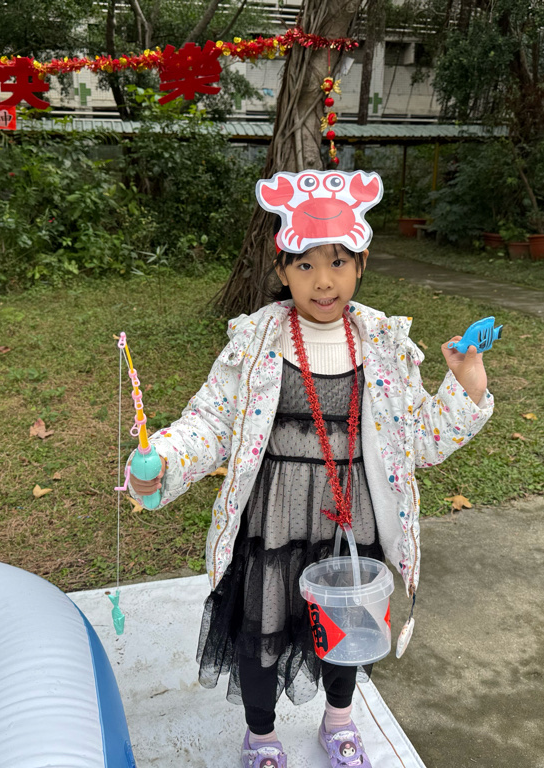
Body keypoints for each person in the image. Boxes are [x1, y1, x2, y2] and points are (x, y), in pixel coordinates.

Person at [128, 169, 494, 768]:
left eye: (339, 262)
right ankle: (261, 736)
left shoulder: (383, 342)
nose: (324, 281)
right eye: (305, 265)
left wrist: (467, 385)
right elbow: (211, 422)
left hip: (353, 515)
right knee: (263, 628)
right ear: (281, 270)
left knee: (346, 626)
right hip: (275, 516)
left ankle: (340, 724)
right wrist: (163, 460)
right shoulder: (255, 341)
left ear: (362, 263)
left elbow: (420, 442)